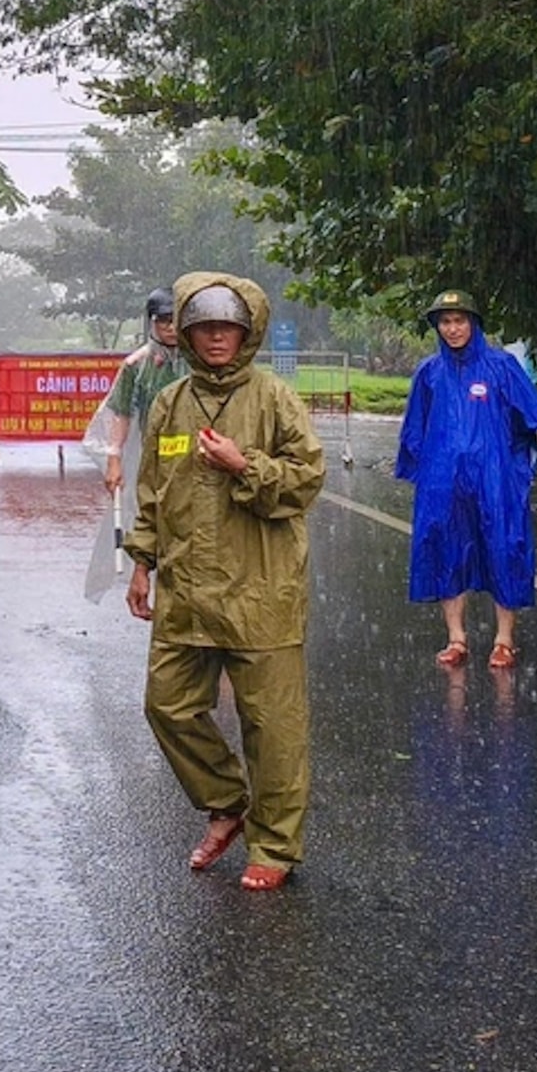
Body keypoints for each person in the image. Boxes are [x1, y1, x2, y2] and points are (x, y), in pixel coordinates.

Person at [124, 274, 325, 891]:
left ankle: (275, 846)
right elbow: (153, 490)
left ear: (247, 333)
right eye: (204, 326)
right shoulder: (170, 403)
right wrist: (142, 560)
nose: (216, 337)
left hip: (261, 588)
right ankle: (227, 802)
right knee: (168, 705)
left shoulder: (274, 399)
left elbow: (307, 478)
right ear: (185, 333)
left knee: (274, 725)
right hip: (187, 589)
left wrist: (247, 466)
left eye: (228, 327)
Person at [395, 289, 537, 669]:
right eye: (445, 322)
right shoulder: (429, 373)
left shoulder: (500, 366)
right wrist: (417, 469)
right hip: (444, 479)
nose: (453, 328)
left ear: (474, 324)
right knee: (445, 547)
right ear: (437, 327)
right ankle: (456, 638)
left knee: (504, 545)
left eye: (460, 320)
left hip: (495, 477)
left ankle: (504, 640)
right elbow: (415, 425)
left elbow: (532, 408)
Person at [95, 287, 181, 499]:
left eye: (176, 320)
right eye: (164, 320)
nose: (171, 327)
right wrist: (114, 458)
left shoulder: (202, 362)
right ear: (152, 322)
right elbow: (121, 412)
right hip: (153, 455)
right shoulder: (136, 365)